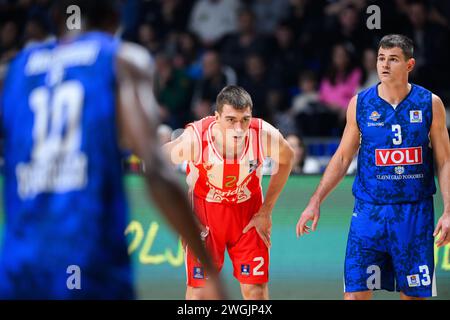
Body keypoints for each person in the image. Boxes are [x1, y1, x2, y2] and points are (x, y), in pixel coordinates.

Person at [0, 0, 225, 299]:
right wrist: (208, 271)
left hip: (18, 267)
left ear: (55, 17)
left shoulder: (16, 69)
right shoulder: (121, 59)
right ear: (114, 20)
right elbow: (156, 168)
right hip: (90, 260)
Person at [296, 34, 450, 300]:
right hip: (369, 213)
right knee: (355, 295)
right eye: (381, 58)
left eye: (393, 59)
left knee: (413, 296)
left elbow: (444, 160)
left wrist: (448, 211)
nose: (384, 65)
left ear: (410, 64)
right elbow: (343, 157)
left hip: (414, 213)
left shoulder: (430, 104)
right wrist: (315, 200)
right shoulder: (360, 103)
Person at [164, 85, 294, 300]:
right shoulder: (195, 139)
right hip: (206, 214)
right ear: (216, 117)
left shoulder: (264, 135)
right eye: (231, 120)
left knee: (256, 291)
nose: (239, 128)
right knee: (199, 293)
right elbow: (155, 164)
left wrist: (266, 211)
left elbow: (287, 159)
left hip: (248, 213)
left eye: (245, 119)